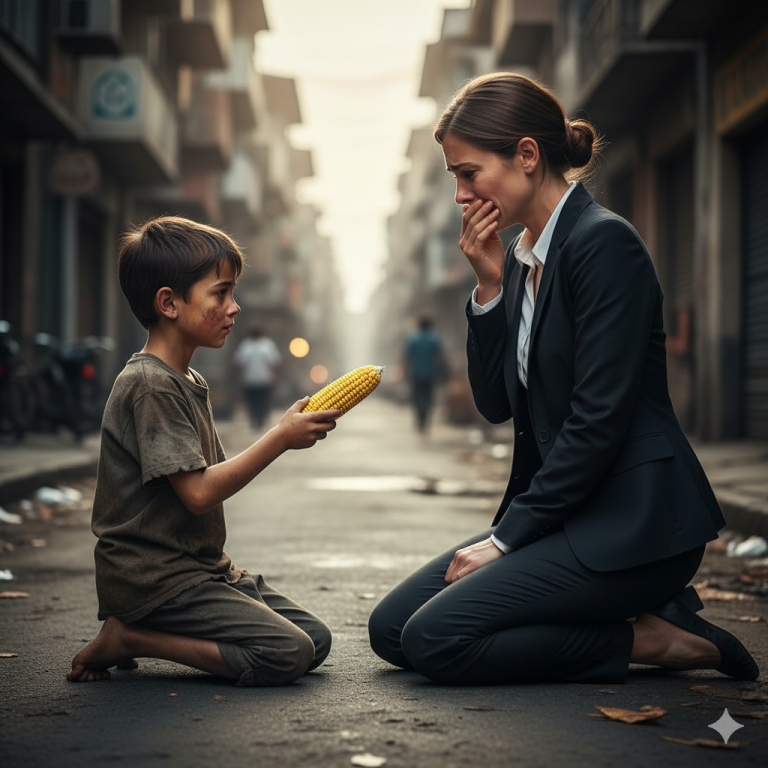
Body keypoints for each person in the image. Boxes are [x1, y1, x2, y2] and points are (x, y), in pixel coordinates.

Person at [368, 72, 759, 685]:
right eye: (455, 179)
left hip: (634, 525)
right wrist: (490, 287)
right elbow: (496, 404)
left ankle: (657, 638)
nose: (460, 196)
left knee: (435, 638)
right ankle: (629, 622)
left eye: (468, 173)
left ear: (526, 156)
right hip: (571, 516)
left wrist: (505, 541)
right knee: (391, 630)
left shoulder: (603, 245)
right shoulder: (523, 261)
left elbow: (598, 418)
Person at [68, 215, 340, 686]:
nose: (235, 308)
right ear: (169, 303)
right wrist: (279, 438)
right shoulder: (151, 384)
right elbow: (196, 494)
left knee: (314, 639)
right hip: (154, 578)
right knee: (285, 653)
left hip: (200, 568)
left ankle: (145, 631)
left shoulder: (188, 380)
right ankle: (131, 637)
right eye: (221, 293)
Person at [234, 325, 281, 429]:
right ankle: (254, 421)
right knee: (252, 403)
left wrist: (273, 376)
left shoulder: (267, 345)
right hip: (250, 380)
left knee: (263, 402)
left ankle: (262, 420)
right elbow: (239, 363)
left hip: (264, 380)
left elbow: (275, 362)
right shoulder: (246, 345)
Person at [404, 317, 445, 432]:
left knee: (417, 399)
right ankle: (426, 422)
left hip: (416, 374)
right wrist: (442, 372)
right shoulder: (434, 339)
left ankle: (419, 421)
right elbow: (439, 357)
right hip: (430, 374)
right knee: (428, 399)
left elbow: (407, 358)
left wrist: (405, 373)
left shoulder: (413, 340)